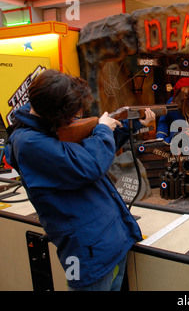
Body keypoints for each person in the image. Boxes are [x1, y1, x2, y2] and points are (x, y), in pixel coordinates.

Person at [5, 69, 155, 291]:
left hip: (109, 243)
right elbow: (90, 165)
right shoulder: (29, 143)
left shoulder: (49, 127)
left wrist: (134, 125)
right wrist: (103, 129)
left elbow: (92, 150)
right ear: (56, 115)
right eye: (73, 116)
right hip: (85, 254)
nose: (77, 118)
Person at [156, 77, 189, 145]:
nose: (186, 91)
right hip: (177, 134)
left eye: (188, 88)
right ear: (179, 90)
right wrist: (160, 137)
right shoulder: (171, 102)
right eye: (184, 88)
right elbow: (163, 121)